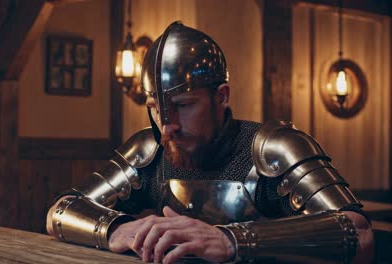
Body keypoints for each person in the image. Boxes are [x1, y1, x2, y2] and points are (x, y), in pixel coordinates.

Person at [46, 21, 373, 263]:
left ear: (221, 96)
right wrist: (117, 229)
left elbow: (358, 234)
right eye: (156, 110)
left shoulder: (274, 148)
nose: (168, 126)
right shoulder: (149, 151)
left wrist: (231, 240)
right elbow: (60, 212)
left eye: (184, 105)